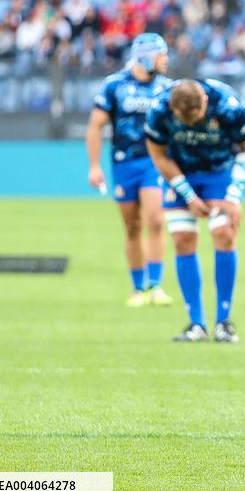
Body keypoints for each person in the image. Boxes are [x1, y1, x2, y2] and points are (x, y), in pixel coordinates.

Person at [144, 79, 245, 343]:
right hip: (180, 174)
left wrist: (233, 195)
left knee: (224, 235)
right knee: (183, 240)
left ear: (204, 102)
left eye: (195, 119)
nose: (191, 126)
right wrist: (188, 194)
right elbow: (159, 155)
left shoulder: (229, 106)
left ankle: (223, 322)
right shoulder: (158, 109)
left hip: (219, 174)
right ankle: (197, 324)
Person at [86, 32, 174, 308]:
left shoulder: (168, 88)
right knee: (133, 227)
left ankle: (156, 286)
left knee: (156, 220)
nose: (166, 60)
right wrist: (94, 166)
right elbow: (95, 125)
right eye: (162, 55)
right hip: (124, 163)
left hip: (155, 162)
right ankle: (138, 289)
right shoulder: (114, 86)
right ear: (146, 56)